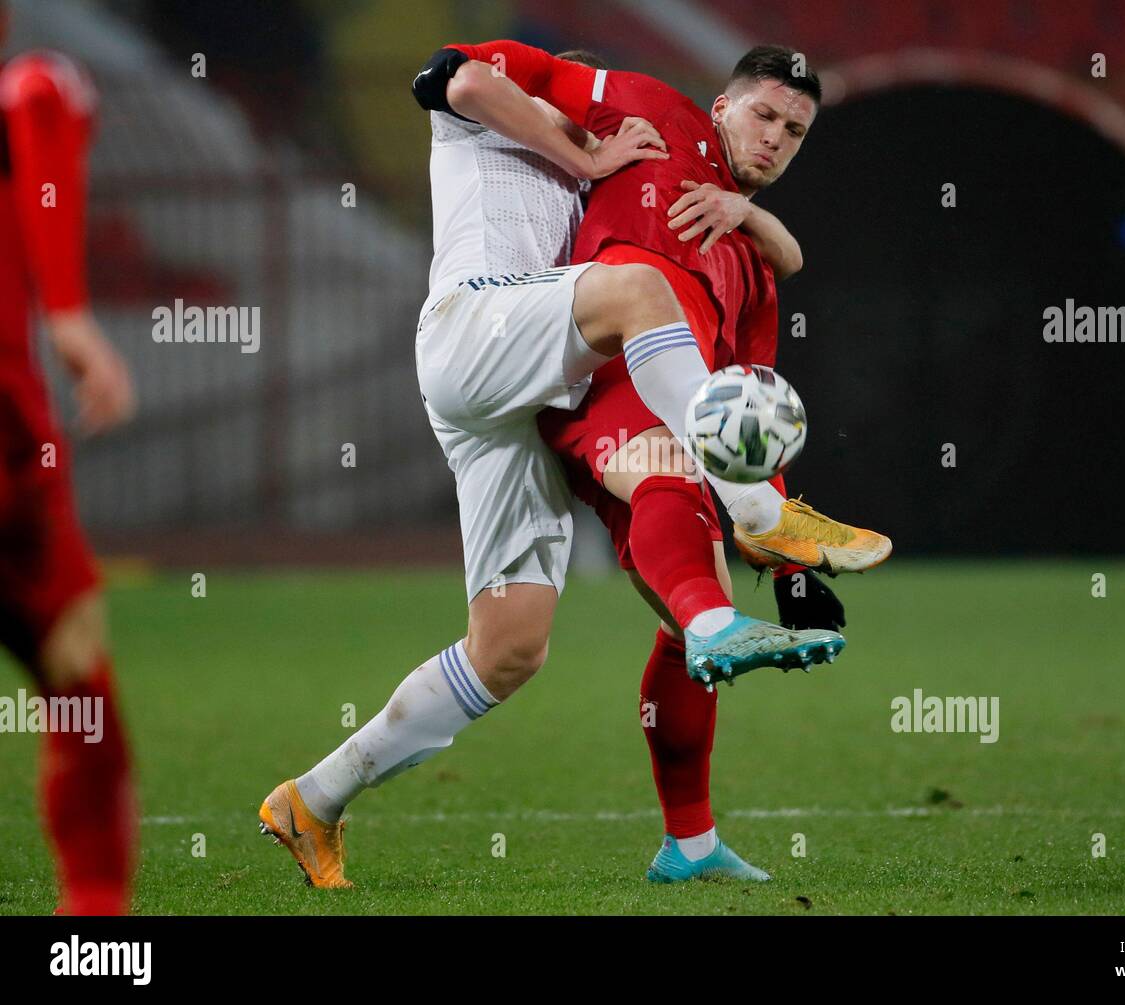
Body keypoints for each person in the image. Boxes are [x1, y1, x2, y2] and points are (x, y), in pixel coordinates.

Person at [257, 48, 875, 889]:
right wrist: (584, 148)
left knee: (509, 649)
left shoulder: (630, 188)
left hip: (525, 386)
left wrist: (753, 224)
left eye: (793, 129)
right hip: (476, 324)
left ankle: (313, 799)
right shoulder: (511, 119)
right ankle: (754, 512)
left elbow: (755, 332)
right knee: (640, 292)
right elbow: (464, 81)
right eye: (764, 116)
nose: (593, 110)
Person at [0, 0, 138, 915]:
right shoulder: (36, 88)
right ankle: (91, 930)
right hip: (9, 458)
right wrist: (70, 315)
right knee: (82, 705)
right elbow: (43, 102)